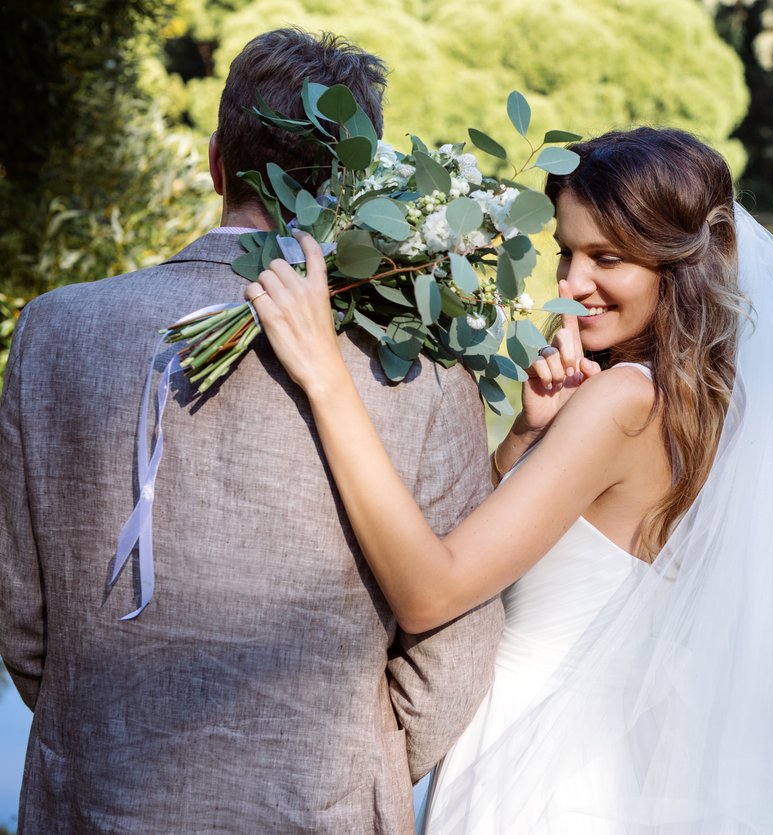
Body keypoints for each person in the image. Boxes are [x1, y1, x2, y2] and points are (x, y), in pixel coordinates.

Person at [248, 127, 773, 833]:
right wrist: (528, 437)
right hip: (610, 767)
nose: (573, 283)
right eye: (566, 252)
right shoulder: (709, 399)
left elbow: (430, 590)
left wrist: (325, 375)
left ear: (676, 264)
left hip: (534, 772)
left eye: (608, 258)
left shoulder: (624, 400)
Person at [0, 28, 501, 833]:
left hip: (95, 798)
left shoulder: (54, 332)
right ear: (352, 187)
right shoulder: (419, 370)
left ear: (215, 162)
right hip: (318, 809)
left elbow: (20, 615)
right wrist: (350, 763)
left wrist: (108, 737)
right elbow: (456, 648)